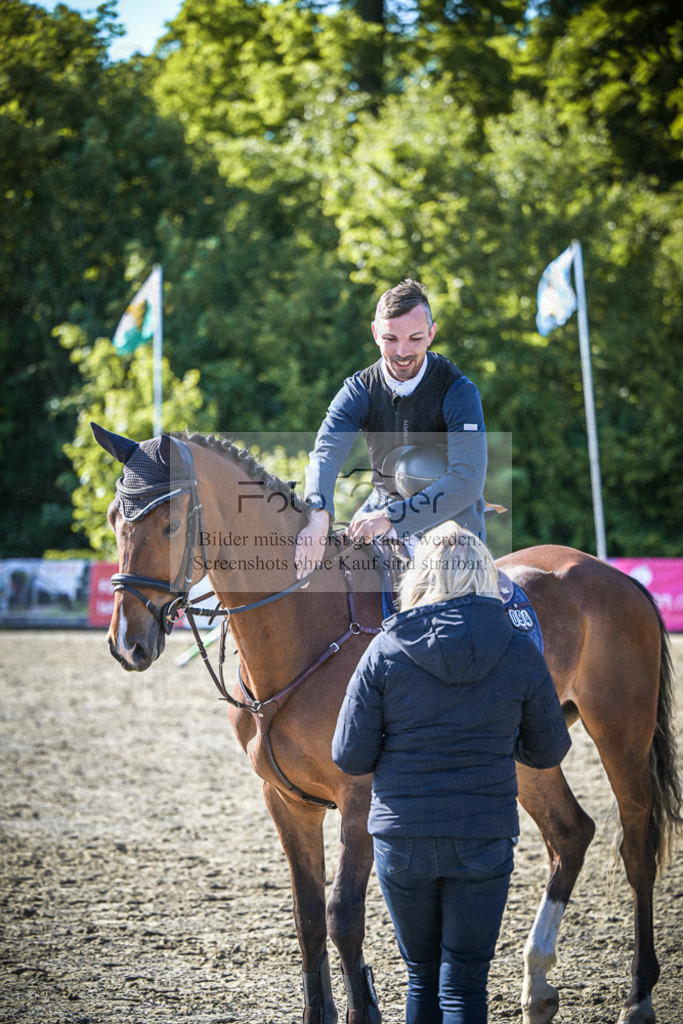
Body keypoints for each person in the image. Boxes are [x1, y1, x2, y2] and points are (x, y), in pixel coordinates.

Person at [331, 521, 571, 1024]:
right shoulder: (519, 649)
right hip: (483, 835)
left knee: (421, 974)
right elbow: (547, 751)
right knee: (464, 982)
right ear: (486, 575)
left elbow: (350, 756)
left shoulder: (384, 648)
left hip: (403, 837)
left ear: (419, 575)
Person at [295, 280, 487, 578]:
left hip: (450, 520)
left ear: (432, 333)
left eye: (415, 338)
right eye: (390, 338)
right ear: (375, 333)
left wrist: (392, 518)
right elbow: (326, 451)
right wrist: (318, 514)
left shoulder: (459, 391)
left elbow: (468, 479)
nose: (402, 351)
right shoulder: (359, 389)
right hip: (383, 503)